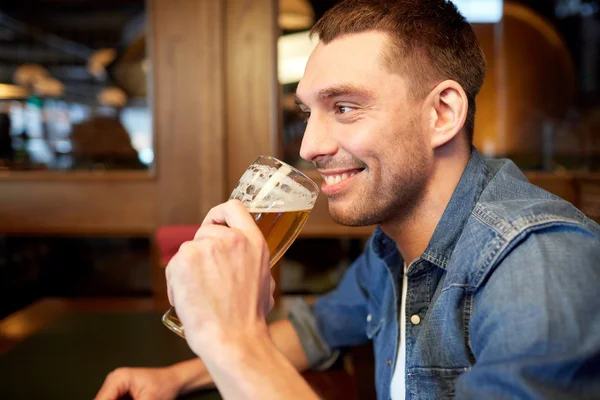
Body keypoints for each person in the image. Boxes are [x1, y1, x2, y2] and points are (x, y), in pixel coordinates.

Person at [95, 0, 600, 399]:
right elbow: (319, 329)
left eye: (344, 106)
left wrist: (235, 339)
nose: (309, 146)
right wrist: (179, 377)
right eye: (308, 113)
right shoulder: (392, 243)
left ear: (442, 114)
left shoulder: (540, 264)